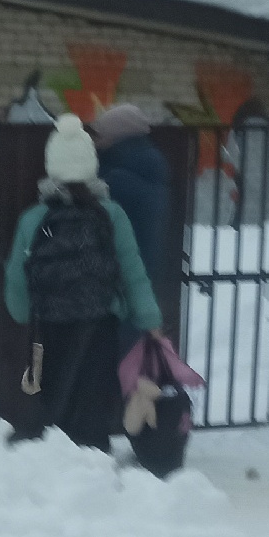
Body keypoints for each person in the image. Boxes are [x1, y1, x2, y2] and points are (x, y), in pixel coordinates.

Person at [3, 113, 161, 452]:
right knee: (92, 402)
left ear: (52, 168)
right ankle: (92, 458)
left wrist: (22, 312)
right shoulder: (112, 215)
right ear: (91, 167)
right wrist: (150, 318)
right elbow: (132, 272)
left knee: (53, 393)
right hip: (100, 324)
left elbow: (17, 275)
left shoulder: (34, 218)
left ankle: (52, 456)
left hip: (50, 325)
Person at [90, 103, 168, 360]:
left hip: (119, 278)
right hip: (138, 274)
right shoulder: (147, 167)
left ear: (118, 137)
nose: (96, 140)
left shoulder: (117, 178)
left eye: (101, 134)